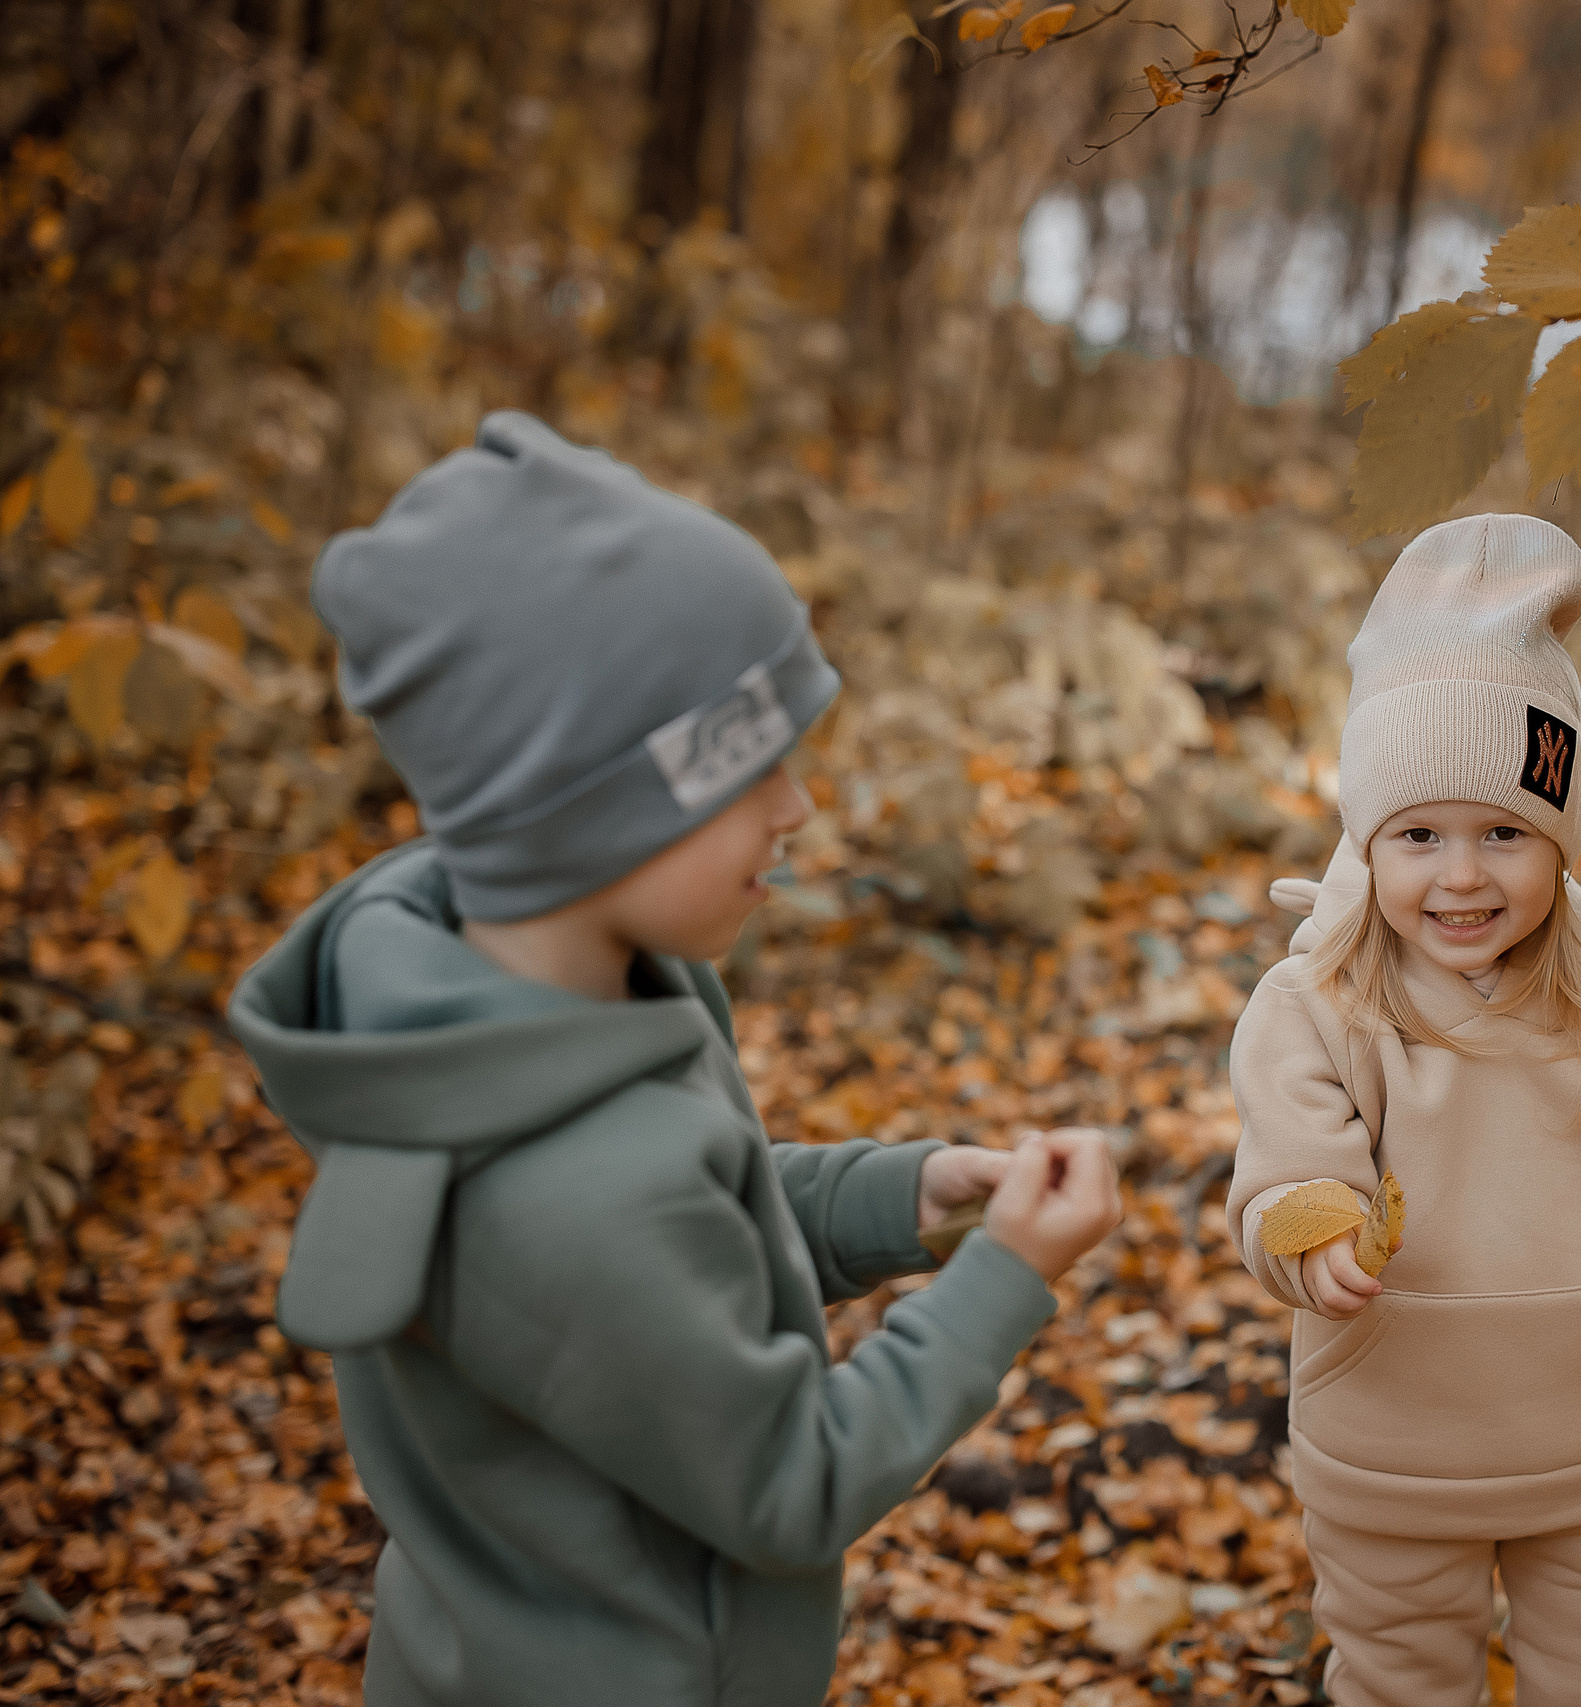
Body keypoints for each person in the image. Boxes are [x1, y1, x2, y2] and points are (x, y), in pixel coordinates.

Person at [229, 412, 1121, 1707]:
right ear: (593, 802)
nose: (797, 805)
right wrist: (1004, 1280)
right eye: (753, 766)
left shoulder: (504, 1004)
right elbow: (791, 1480)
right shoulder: (561, 1186)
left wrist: (900, 1197)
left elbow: (696, 1235)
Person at [1228, 514, 1581, 1707]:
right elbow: (1291, 1171)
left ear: (1560, 840)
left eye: (1505, 833)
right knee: (1397, 1681)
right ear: (1367, 844)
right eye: (1420, 836)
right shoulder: (1317, 1008)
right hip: (1394, 1447)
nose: (1462, 874)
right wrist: (1316, 1231)